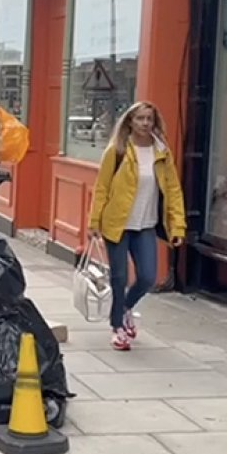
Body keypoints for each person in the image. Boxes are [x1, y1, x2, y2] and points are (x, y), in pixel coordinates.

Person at [88, 101, 187, 351]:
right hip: (117, 224)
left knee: (147, 277)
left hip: (146, 225)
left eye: (149, 119)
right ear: (130, 122)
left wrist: (178, 226)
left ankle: (125, 307)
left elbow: (173, 191)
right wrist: (94, 222)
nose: (145, 123)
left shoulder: (161, 152)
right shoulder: (117, 150)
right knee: (119, 277)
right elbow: (102, 188)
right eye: (140, 118)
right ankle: (117, 327)